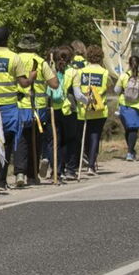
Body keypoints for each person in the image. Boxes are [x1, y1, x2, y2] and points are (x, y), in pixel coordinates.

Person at [0, 27, 35, 190]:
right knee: (7, 141)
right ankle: (1, 180)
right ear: (7, 40)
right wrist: (31, 78)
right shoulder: (14, 58)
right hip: (9, 105)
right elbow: (23, 83)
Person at [13, 34, 60, 187]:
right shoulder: (40, 62)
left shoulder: (15, 60)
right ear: (34, 46)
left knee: (20, 139)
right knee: (36, 140)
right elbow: (54, 84)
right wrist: (52, 71)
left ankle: (19, 172)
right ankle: (32, 176)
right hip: (38, 106)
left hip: (19, 105)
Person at [73, 45, 112, 176]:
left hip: (84, 109)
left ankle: (86, 158)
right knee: (95, 136)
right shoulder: (104, 72)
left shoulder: (81, 72)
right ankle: (91, 165)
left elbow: (76, 90)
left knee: (84, 136)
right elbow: (109, 86)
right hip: (99, 110)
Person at [114, 55, 139, 161]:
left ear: (129, 64)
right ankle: (130, 152)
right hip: (137, 107)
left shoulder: (123, 76)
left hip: (124, 106)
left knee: (128, 129)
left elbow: (116, 90)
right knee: (134, 130)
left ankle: (130, 151)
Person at [44, 45, 72, 179]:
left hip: (50, 107)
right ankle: (60, 169)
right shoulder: (71, 72)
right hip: (64, 109)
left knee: (51, 141)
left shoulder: (48, 70)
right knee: (62, 141)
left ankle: (51, 164)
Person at [59, 42, 86, 180]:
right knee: (72, 139)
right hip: (70, 108)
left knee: (59, 140)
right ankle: (70, 169)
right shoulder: (73, 72)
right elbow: (78, 94)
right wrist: (88, 101)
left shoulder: (54, 70)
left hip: (57, 108)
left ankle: (58, 170)